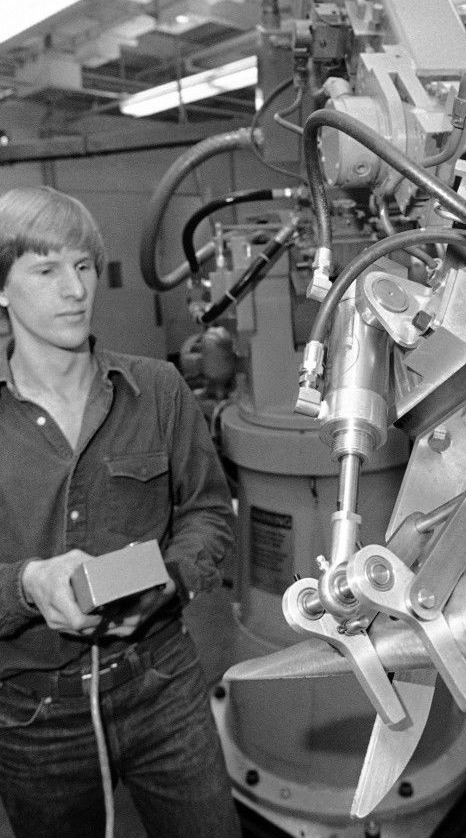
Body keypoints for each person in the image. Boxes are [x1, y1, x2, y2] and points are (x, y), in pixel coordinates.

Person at [0, 186, 241, 838]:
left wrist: (173, 577)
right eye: (46, 270)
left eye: (83, 266)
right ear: (2, 289)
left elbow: (209, 514)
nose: (75, 289)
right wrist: (29, 585)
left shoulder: (157, 389)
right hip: (34, 716)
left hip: (162, 682)